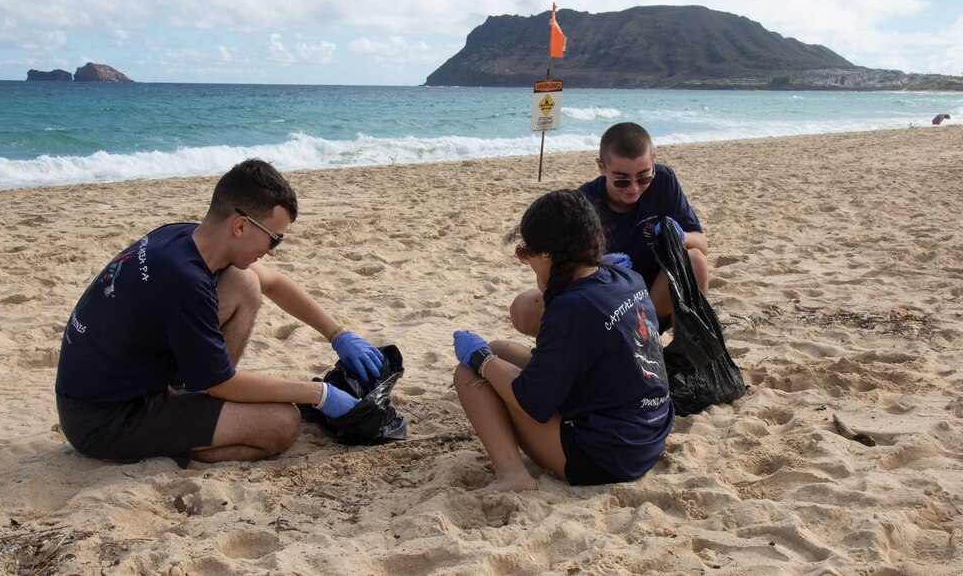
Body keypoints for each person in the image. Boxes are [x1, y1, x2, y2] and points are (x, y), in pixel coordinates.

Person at [54, 158, 386, 466]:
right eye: (274, 239)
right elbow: (223, 385)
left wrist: (337, 334)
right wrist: (320, 394)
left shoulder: (186, 237)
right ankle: (177, 440)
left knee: (244, 282)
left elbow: (272, 283)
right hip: (104, 419)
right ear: (241, 226)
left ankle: (191, 409)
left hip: (114, 384)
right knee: (282, 424)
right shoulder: (185, 283)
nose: (271, 252)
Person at [452, 189, 673, 492]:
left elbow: (533, 401)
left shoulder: (569, 309)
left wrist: (482, 361)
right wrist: (492, 355)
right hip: (651, 431)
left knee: (468, 374)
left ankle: (513, 474)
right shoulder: (625, 277)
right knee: (499, 347)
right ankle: (489, 358)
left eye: (529, 252)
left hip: (608, 455)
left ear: (546, 255)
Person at [510, 122, 708, 335]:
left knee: (694, 259)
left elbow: (701, 245)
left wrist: (679, 236)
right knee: (523, 308)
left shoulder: (664, 181)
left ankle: (689, 356)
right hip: (610, 308)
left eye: (644, 177)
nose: (633, 188)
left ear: (653, 162)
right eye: (622, 181)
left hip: (657, 300)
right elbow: (547, 281)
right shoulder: (584, 203)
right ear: (601, 167)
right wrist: (596, 267)